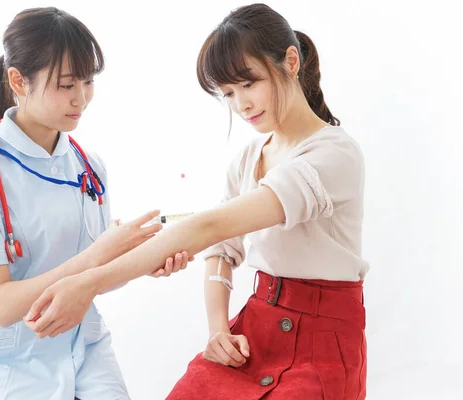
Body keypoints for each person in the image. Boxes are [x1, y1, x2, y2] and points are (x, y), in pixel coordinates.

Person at [24, 3, 368, 399]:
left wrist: (89, 283)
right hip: (256, 329)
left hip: (323, 344)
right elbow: (222, 249)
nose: (242, 105)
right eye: (229, 93)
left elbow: (210, 228)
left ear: (291, 61)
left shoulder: (333, 154)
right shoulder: (248, 158)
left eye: (250, 83)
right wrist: (219, 329)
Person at [0, 7, 191, 400]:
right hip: (2, 360)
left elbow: (97, 276)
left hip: (83, 346)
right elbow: (2, 306)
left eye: (88, 82)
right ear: (18, 81)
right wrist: (99, 256)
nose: (82, 99)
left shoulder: (90, 166)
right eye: (66, 84)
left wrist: (143, 260)